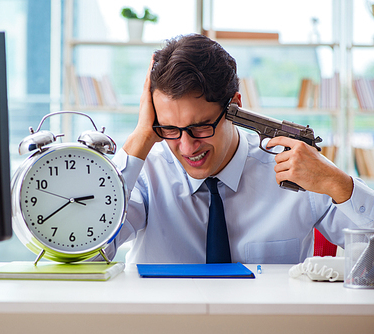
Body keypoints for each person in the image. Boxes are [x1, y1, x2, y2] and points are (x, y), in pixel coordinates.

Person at [106, 33, 374, 264]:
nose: (186, 146)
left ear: (235, 106)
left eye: (200, 127)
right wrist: (140, 139)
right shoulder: (143, 174)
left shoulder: (295, 173)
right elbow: (88, 255)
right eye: (170, 129)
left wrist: (339, 184)